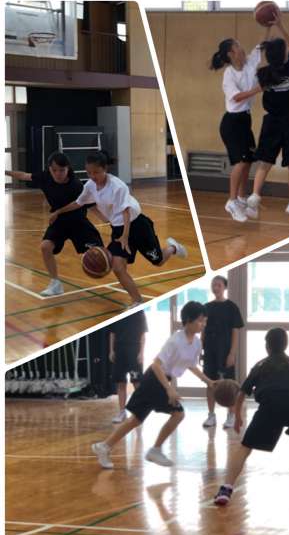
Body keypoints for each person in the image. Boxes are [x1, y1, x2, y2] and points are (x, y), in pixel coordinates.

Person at [214, 327, 289, 506]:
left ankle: (226, 489)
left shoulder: (260, 365)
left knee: (245, 447)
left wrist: (238, 415)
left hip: (269, 407)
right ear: (286, 345)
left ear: (267, 346)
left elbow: (241, 393)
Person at [48, 151, 187, 309]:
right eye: (89, 172)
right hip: (118, 229)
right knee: (118, 267)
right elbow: (78, 203)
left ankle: (173, 247)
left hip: (137, 226)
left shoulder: (117, 186)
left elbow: (125, 212)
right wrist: (58, 212)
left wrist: (125, 236)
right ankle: (137, 301)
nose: (92, 176)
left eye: (96, 172)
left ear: (105, 169)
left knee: (158, 261)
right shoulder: (90, 186)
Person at [91, 301, 216, 469]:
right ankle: (155, 450)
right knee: (178, 414)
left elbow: (191, 365)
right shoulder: (175, 340)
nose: (203, 324)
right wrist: (169, 389)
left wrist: (208, 381)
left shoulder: (196, 343)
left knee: (135, 420)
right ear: (188, 320)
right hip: (154, 379)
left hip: (161, 381)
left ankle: (104, 446)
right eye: (200, 320)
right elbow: (156, 364)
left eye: (205, 320)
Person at [6, 152, 103, 297]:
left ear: (68, 168)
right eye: (54, 170)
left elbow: (91, 206)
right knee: (45, 247)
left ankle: (122, 275)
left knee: (99, 254)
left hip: (78, 222)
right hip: (59, 222)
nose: (58, 174)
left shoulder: (76, 185)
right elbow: (24, 175)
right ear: (49, 169)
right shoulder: (45, 177)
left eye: (62, 170)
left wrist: (109, 220)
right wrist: (5, 171)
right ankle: (55, 284)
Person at [246, 11, 289, 221]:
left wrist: (268, 29)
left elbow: (262, 53)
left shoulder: (263, 74)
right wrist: (279, 25)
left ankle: (255, 196)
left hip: (271, 121)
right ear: (284, 55)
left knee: (264, 162)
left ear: (269, 56)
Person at [209, 32, 266, 223]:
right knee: (240, 162)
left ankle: (241, 198)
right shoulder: (229, 74)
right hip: (232, 124)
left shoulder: (249, 64)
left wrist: (270, 25)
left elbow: (260, 46)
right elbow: (237, 97)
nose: (242, 48)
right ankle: (231, 201)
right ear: (231, 53)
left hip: (244, 121)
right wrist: (258, 88)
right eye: (238, 46)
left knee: (248, 160)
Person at [202, 275, 244, 429]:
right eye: (213, 285)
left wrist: (232, 353)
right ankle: (211, 415)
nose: (215, 288)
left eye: (218, 285)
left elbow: (235, 332)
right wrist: (200, 348)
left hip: (225, 351)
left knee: (229, 385)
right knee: (210, 383)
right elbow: (203, 330)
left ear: (225, 287)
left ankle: (231, 415)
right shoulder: (206, 307)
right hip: (210, 351)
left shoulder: (232, 307)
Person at [109, 309, 148, 423]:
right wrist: (111, 350)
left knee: (137, 382)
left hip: (134, 350)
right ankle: (122, 412)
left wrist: (141, 353)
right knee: (120, 382)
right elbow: (112, 333)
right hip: (119, 350)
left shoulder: (139, 313)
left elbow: (143, 334)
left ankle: (139, 412)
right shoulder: (118, 312)